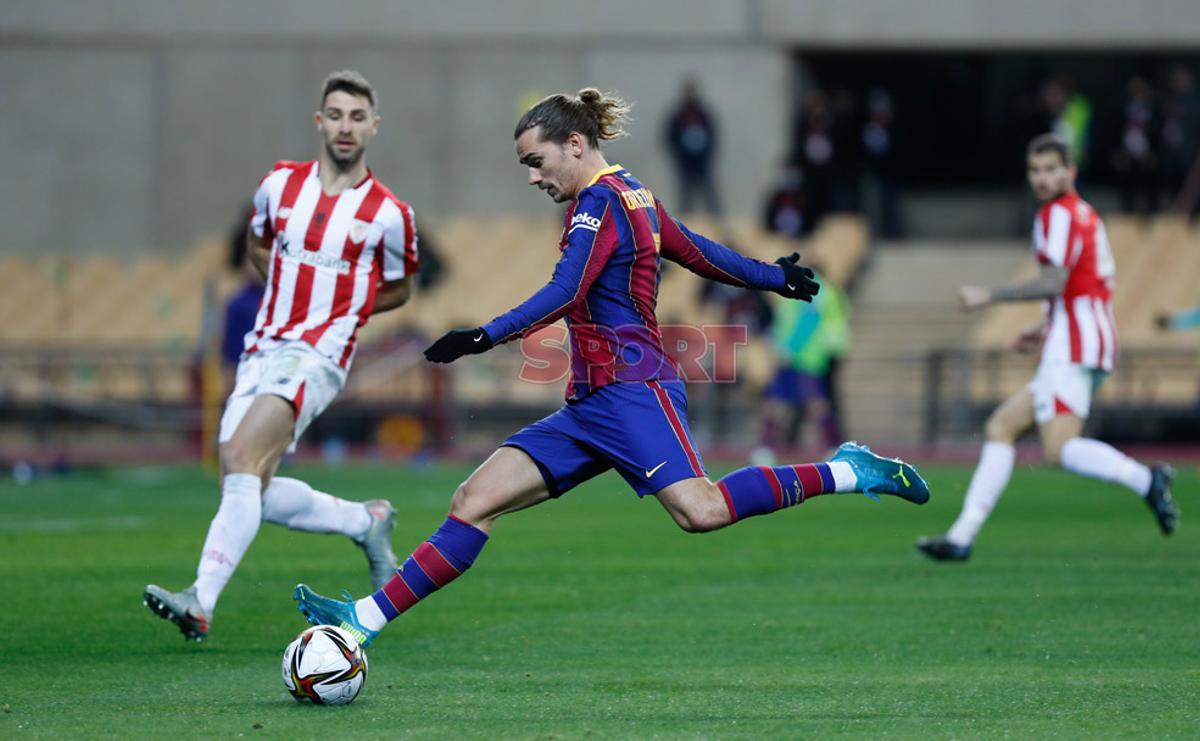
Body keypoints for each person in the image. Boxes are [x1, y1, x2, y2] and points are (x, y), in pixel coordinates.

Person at [294, 88, 931, 647]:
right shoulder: (637, 196)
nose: (532, 177)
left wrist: (483, 335)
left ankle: (849, 470)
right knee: (473, 499)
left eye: (535, 162)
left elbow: (569, 290)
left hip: (636, 393)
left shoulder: (599, 205)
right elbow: (699, 252)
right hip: (590, 405)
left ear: (574, 144)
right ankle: (360, 622)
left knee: (701, 511)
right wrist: (774, 276)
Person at [144, 70, 418, 641]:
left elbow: (401, 286)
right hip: (262, 345)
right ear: (320, 121)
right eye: (336, 115)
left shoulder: (389, 213)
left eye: (357, 117)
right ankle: (364, 521)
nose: (346, 127)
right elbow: (257, 242)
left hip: (319, 354)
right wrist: (289, 288)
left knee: (243, 456)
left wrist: (343, 308)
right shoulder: (278, 186)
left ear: (374, 127)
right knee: (245, 487)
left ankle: (201, 599)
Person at [917, 134, 1179, 562]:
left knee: (1059, 449)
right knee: (1002, 426)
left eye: (1050, 169)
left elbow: (1055, 282)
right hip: (1082, 335)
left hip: (1074, 344)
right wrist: (1043, 325)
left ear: (1070, 172)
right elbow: (1081, 286)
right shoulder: (1083, 213)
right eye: (1035, 170)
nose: (1041, 178)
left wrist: (990, 295)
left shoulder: (1058, 214)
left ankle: (1146, 480)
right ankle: (962, 536)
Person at [664, 78, 721, 215]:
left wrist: (707, 154)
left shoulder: (703, 114)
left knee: (708, 189)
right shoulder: (679, 115)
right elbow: (670, 136)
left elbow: (713, 134)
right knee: (685, 190)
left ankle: (714, 216)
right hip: (685, 160)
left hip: (702, 160)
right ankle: (686, 217)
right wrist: (678, 154)